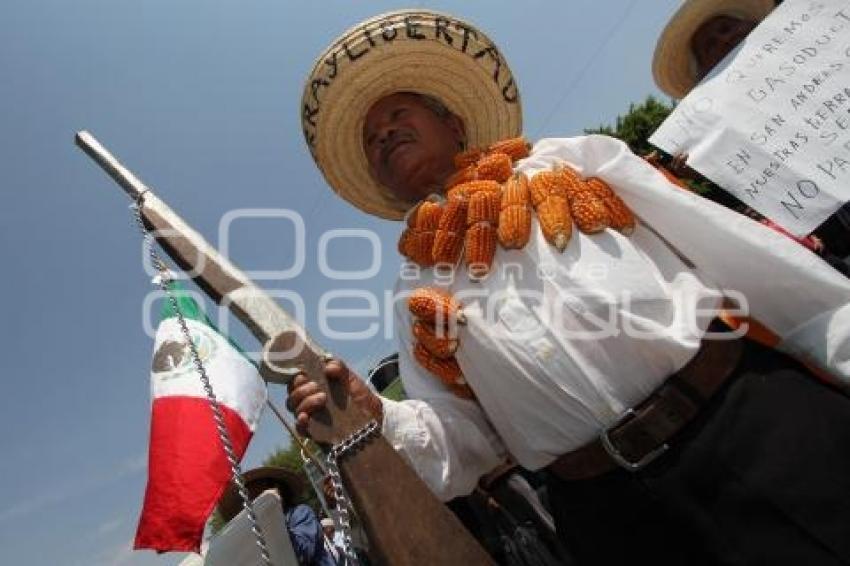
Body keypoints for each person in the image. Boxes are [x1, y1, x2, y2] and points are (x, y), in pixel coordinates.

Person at [289, 9, 850, 566]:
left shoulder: (569, 163)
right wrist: (380, 421)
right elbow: (464, 440)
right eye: (372, 140)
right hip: (613, 516)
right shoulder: (414, 292)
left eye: (397, 115)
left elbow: (734, 251)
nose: (385, 134)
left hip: (749, 425)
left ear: (455, 123)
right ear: (381, 179)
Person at [652, 0, 850, 262]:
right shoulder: (719, 140)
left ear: (757, 25)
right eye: (710, 45)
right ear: (708, 72)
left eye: (727, 27)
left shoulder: (832, 46)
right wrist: (706, 170)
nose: (725, 39)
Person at [218, 467, 336, 566]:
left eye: (258, 495)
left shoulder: (300, 513)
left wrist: (272, 521)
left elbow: (303, 554)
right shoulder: (253, 536)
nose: (254, 501)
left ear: (276, 489)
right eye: (248, 498)